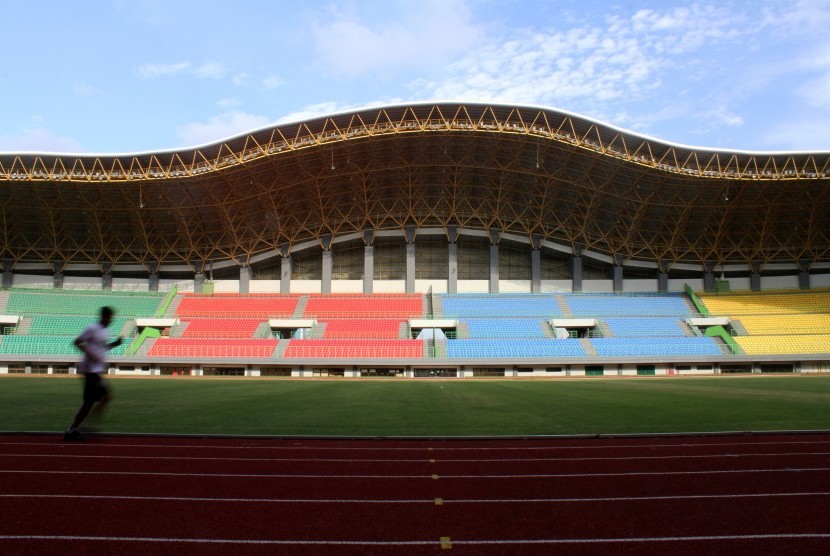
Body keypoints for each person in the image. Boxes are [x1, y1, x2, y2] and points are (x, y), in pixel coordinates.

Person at [63, 306, 123, 441]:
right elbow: (77, 342)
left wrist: (115, 344)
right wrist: (90, 354)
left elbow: (102, 347)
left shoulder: (105, 330)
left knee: (101, 399)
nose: (112, 320)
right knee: (92, 401)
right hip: (90, 371)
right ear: (104, 316)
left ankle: (80, 427)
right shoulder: (92, 328)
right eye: (110, 317)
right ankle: (75, 429)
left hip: (96, 371)